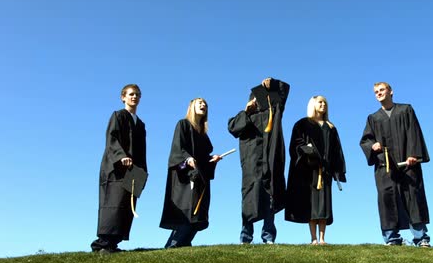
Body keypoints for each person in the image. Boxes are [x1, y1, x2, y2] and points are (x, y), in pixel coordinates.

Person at [359, 82, 431, 247]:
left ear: (391, 91)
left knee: (413, 198)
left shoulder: (406, 110)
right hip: (386, 167)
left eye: (382, 90)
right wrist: (372, 146)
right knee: (387, 199)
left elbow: (414, 132)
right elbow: (365, 140)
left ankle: (421, 238)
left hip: (408, 164)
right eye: (376, 92)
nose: (379, 93)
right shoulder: (373, 118)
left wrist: (414, 154)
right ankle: (392, 238)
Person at [228, 77, 290, 244]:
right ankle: (246, 237)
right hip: (251, 162)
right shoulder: (247, 116)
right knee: (250, 197)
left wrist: (274, 84)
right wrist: (247, 111)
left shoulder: (274, 112)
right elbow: (233, 128)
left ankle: (268, 237)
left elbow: (285, 90)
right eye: (255, 98)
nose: (258, 101)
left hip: (271, 160)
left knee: (271, 195)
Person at [91, 84, 147, 254]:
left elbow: (143, 150)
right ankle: (102, 244)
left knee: (127, 206)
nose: (134, 97)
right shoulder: (118, 116)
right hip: (116, 169)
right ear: (123, 97)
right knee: (114, 204)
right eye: (130, 94)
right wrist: (121, 156)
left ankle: (113, 244)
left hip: (134, 169)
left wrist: (143, 171)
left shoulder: (140, 124)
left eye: (137, 94)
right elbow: (112, 139)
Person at [160, 98, 222, 248]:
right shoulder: (183, 125)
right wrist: (187, 158)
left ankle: (182, 245)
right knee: (187, 214)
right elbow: (178, 148)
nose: (203, 105)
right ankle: (172, 247)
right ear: (191, 107)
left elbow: (202, 159)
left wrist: (211, 160)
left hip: (199, 179)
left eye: (206, 104)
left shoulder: (203, 134)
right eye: (199, 103)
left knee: (197, 215)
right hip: (184, 178)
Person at [285, 96, 346, 245]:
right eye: (320, 102)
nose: (323, 104)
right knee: (311, 204)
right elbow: (296, 144)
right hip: (309, 170)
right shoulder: (303, 124)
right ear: (313, 105)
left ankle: (323, 238)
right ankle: (313, 239)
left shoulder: (330, 127)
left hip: (325, 170)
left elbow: (337, 150)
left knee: (324, 204)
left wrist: (338, 169)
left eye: (325, 102)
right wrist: (308, 151)